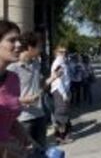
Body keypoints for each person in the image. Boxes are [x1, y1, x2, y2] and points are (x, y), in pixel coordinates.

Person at [7, 32, 59, 152]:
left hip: (40, 115)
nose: (41, 49)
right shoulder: (12, 68)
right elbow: (5, 98)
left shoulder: (36, 64)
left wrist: (53, 77)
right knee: (25, 153)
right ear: (30, 47)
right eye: (39, 46)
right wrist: (23, 100)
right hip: (23, 120)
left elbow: (41, 86)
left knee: (41, 151)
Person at [0, 20, 33, 158]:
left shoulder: (13, 78)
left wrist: (27, 138)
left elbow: (9, 119)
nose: (19, 45)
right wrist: (5, 149)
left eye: (19, 40)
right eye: (12, 40)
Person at [50, 45, 72, 144]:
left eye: (65, 51)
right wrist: (64, 94)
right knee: (61, 114)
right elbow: (58, 80)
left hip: (64, 90)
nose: (63, 53)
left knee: (64, 113)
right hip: (59, 90)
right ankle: (61, 137)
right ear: (56, 52)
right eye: (61, 51)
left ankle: (62, 136)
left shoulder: (63, 62)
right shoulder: (58, 63)